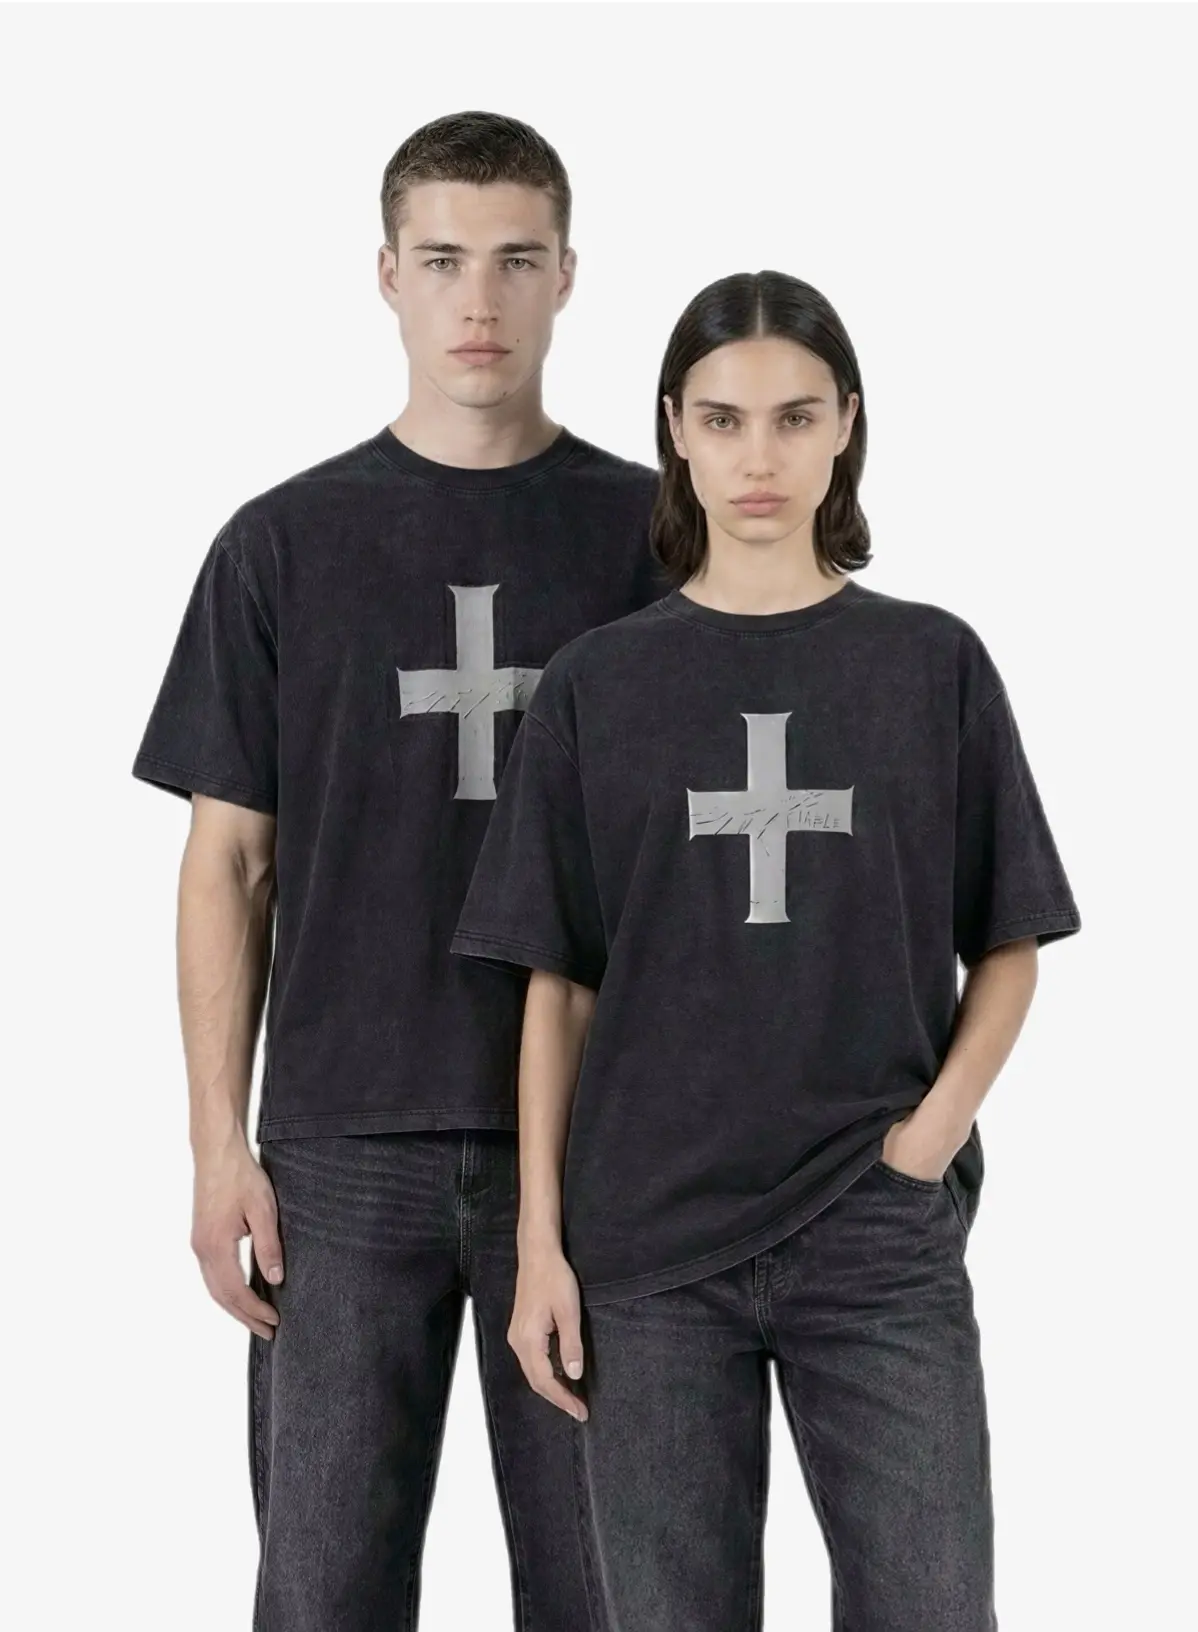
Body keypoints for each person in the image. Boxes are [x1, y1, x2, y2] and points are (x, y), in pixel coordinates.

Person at [451, 269, 1082, 1631]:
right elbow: (557, 989)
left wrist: (924, 1144)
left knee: (930, 1606)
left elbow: (1011, 939)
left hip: (873, 1229)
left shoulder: (929, 665)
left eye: (795, 418)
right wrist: (541, 1247)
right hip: (647, 1247)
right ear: (674, 430)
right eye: (724, 420)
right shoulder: (598, 684)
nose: (759, 458)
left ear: (845, 424)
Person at [132, 111, 663, 1631]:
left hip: (595, 1151)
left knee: (610, 1590)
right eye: (441, 261)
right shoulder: (281, 545)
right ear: (385, 275)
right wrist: (217, 1148)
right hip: (338, 1147)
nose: (477, 300)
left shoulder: (654, 539)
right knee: (322, 1594)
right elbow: (228, 862)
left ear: (568, 275)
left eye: (514, 260)